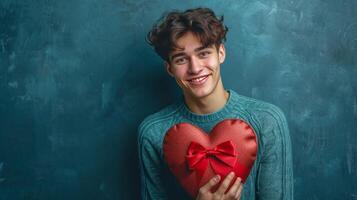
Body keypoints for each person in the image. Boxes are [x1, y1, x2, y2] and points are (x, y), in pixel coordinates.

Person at [138, 7, 293, 200]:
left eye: (203, 54)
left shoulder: (267, 121)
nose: (195, 68)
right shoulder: (153, 133)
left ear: (221, 53)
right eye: (181, 59)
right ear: (169, 68)